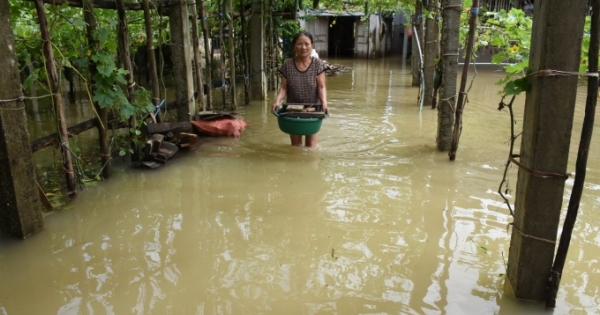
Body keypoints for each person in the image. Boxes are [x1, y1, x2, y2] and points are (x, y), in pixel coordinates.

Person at [272, 31, 329, 147]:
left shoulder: (318, 64)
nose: (303, 47)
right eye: (299, 44)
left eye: (307, 44)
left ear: (312, 45)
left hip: (313, 109)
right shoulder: (287, 64)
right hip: (293, 109)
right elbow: (283, 88)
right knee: (296, 146)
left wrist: (324, 104)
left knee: (311, 147)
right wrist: (277, 101)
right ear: (294, 46)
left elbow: (322, 87)